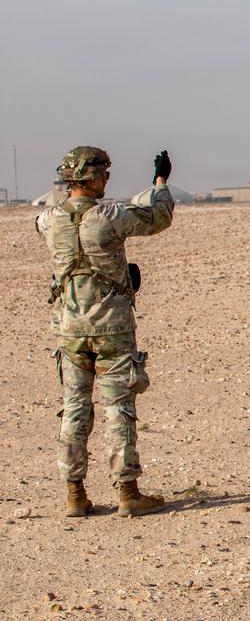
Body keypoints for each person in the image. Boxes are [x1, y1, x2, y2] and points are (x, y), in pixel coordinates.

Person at [37, 146, 175, 517]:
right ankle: (128, 492)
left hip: (69, 329)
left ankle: (74, 494)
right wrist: (160, 183)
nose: (106, 182)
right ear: (93, 178)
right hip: (111, 327)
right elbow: (158, 216)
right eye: (105, 176)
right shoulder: (109, 215)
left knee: (74, 408)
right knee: (119, 406)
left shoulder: (49, 220)